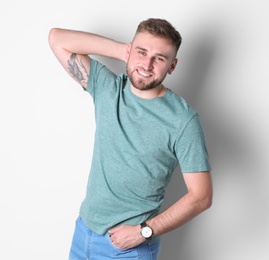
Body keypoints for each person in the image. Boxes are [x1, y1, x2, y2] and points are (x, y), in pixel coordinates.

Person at [48, 18, 213, 260]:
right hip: (83, 233)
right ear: (130, 50)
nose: (146, 64)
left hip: (127, 249)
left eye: (159, 58)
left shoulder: (183, 120)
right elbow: (57, 39)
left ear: (172, 65)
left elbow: (201, 196)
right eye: (141, 52)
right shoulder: (108, 89)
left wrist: (144, 231)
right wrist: (122, 51)